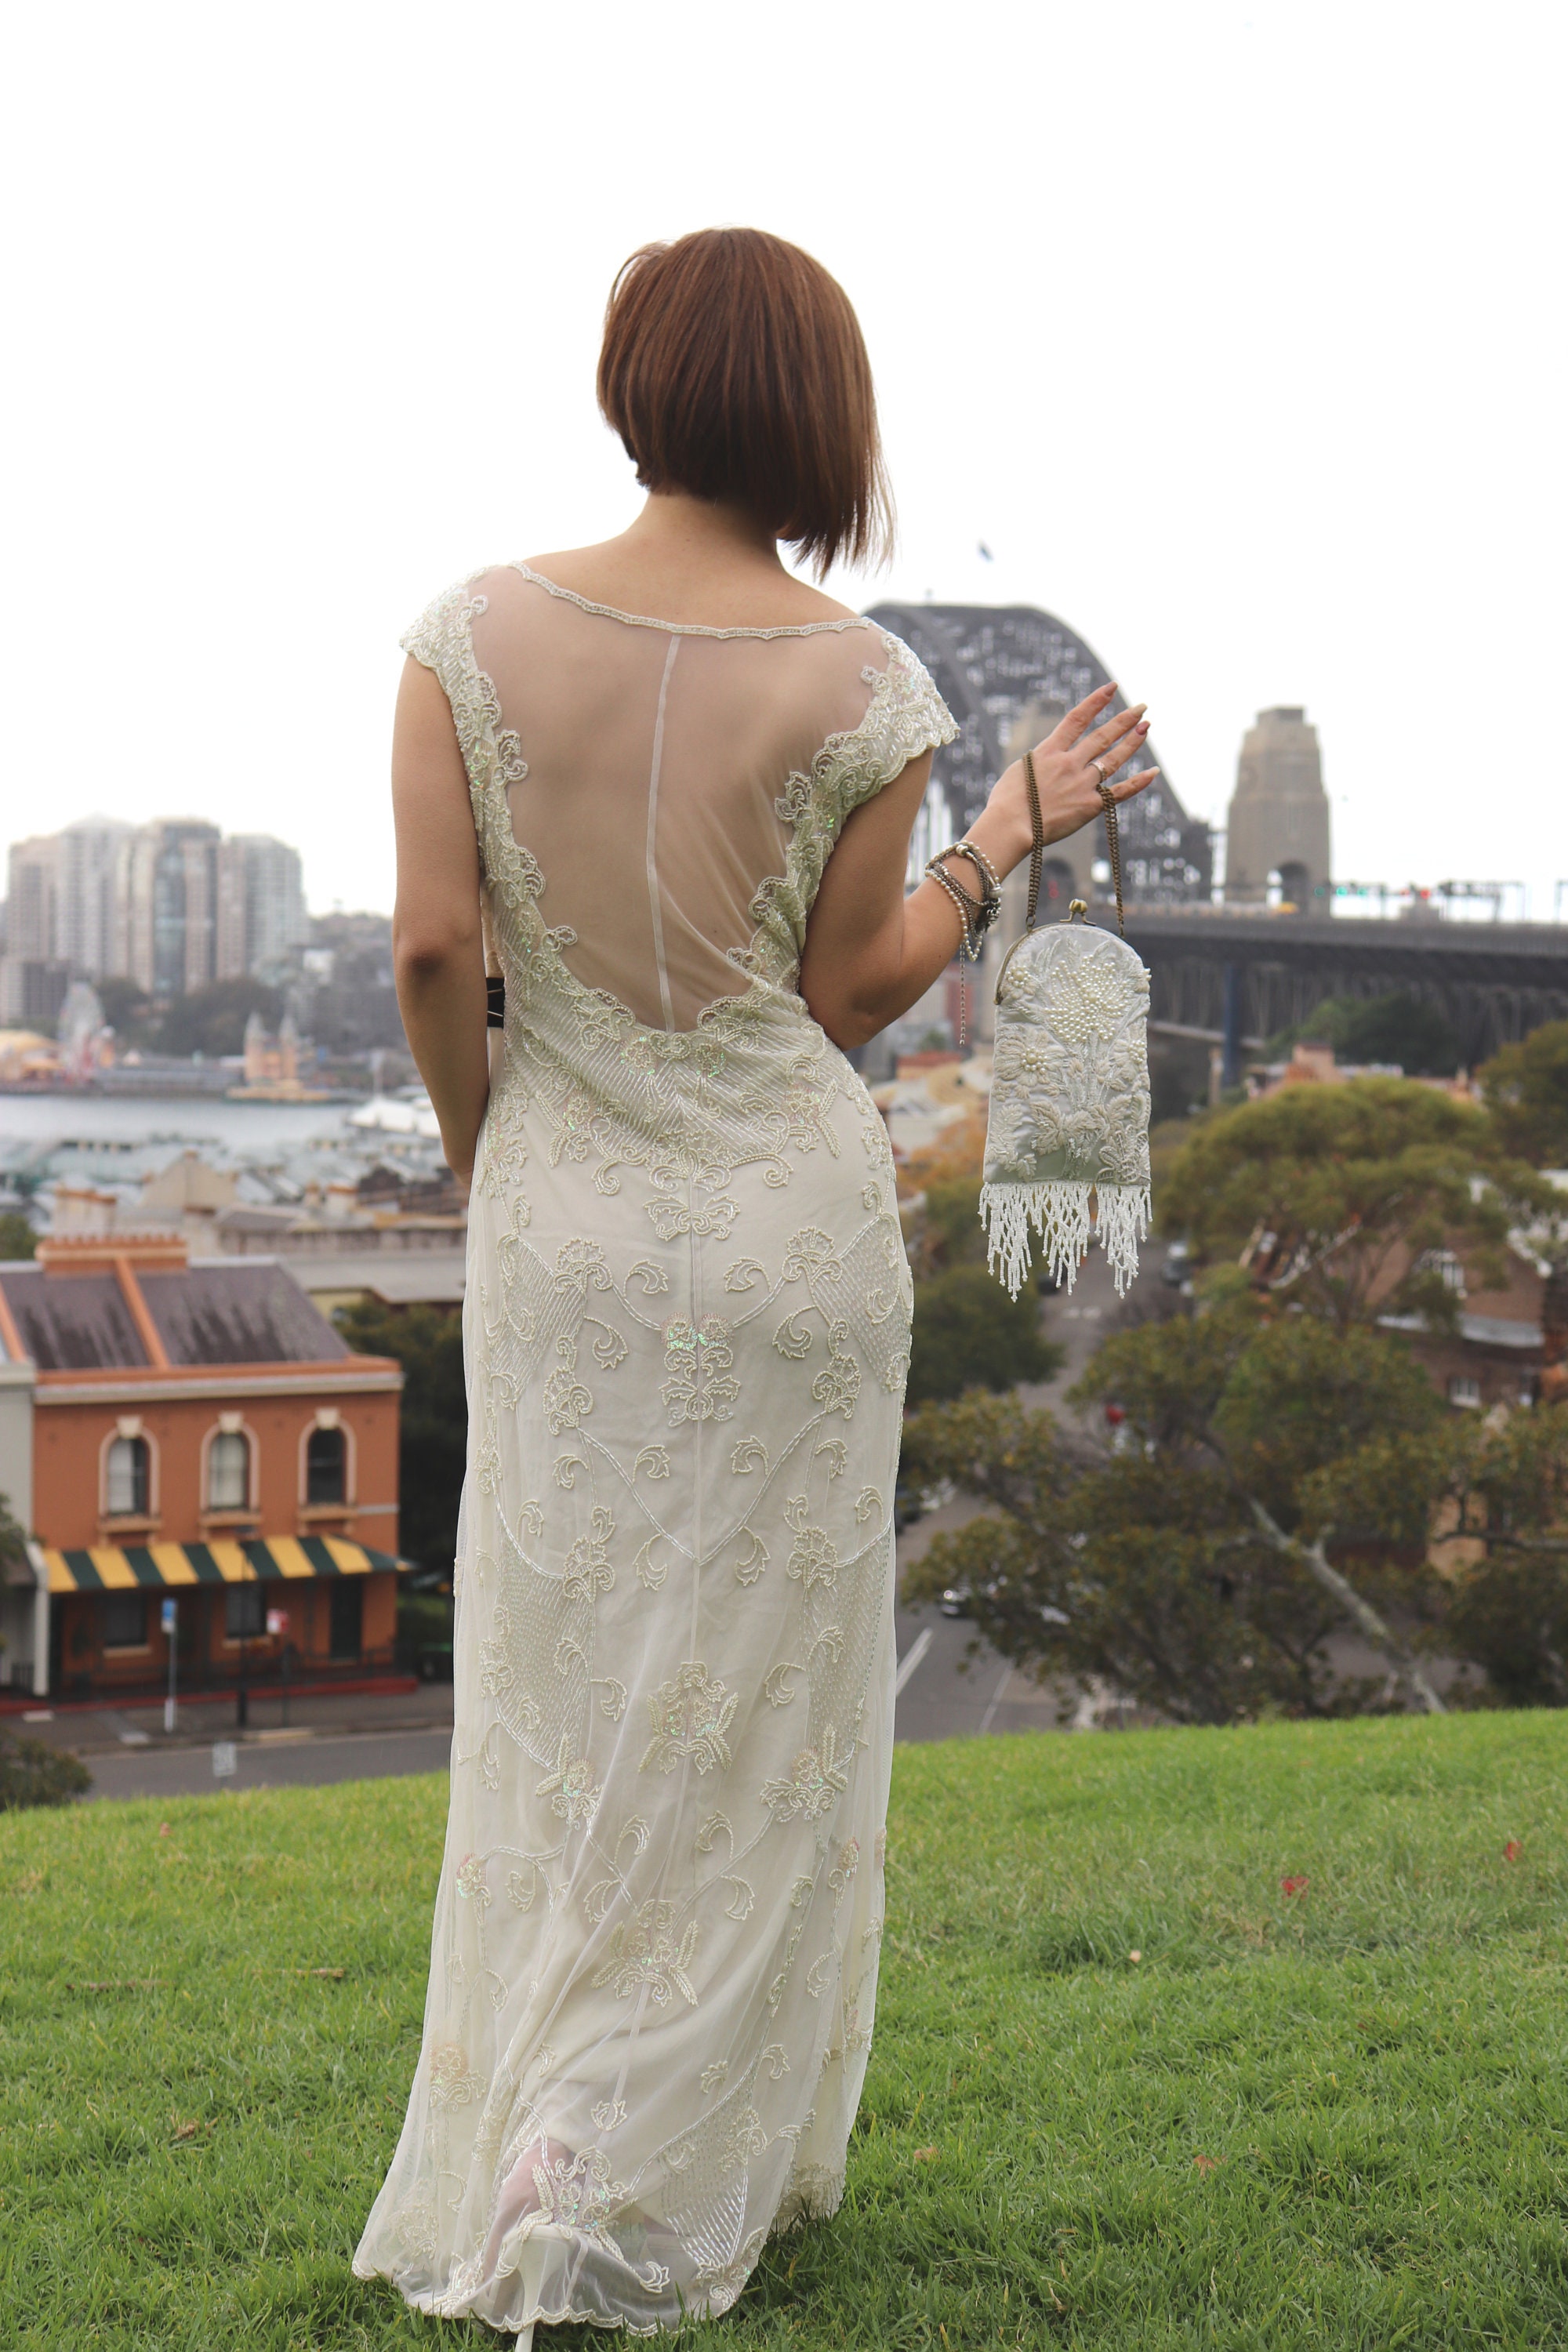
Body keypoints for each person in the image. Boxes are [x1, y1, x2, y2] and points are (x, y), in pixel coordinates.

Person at [354, 226, 1154, 2339]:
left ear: (634, 379)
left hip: (571, 1226)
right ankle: (671, 2148)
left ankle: (553, 2132)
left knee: (569, 1688)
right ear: (825, 413)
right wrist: (998, 841)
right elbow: (851, 998)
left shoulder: (458, 637)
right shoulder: (868, 683)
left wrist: (484, 1142)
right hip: (791, 1236)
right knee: (760, 1710)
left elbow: (439, 952)